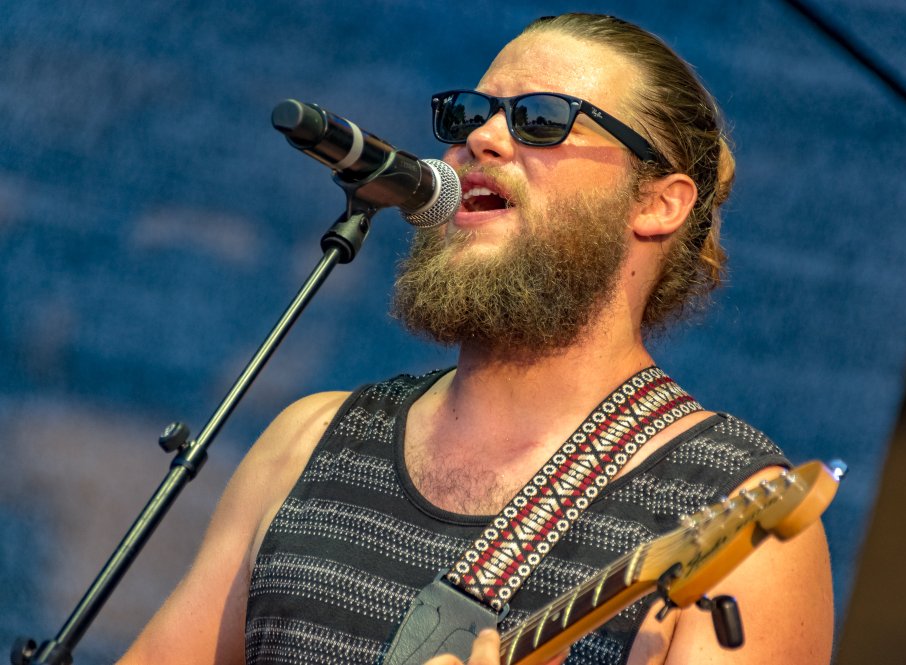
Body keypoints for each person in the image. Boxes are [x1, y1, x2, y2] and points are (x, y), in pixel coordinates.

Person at [117, 12, 833, 665]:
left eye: (543, 119)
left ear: (657, 202)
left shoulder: (733, 508)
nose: (481, 138)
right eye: (469, 113)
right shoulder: (308, 442)